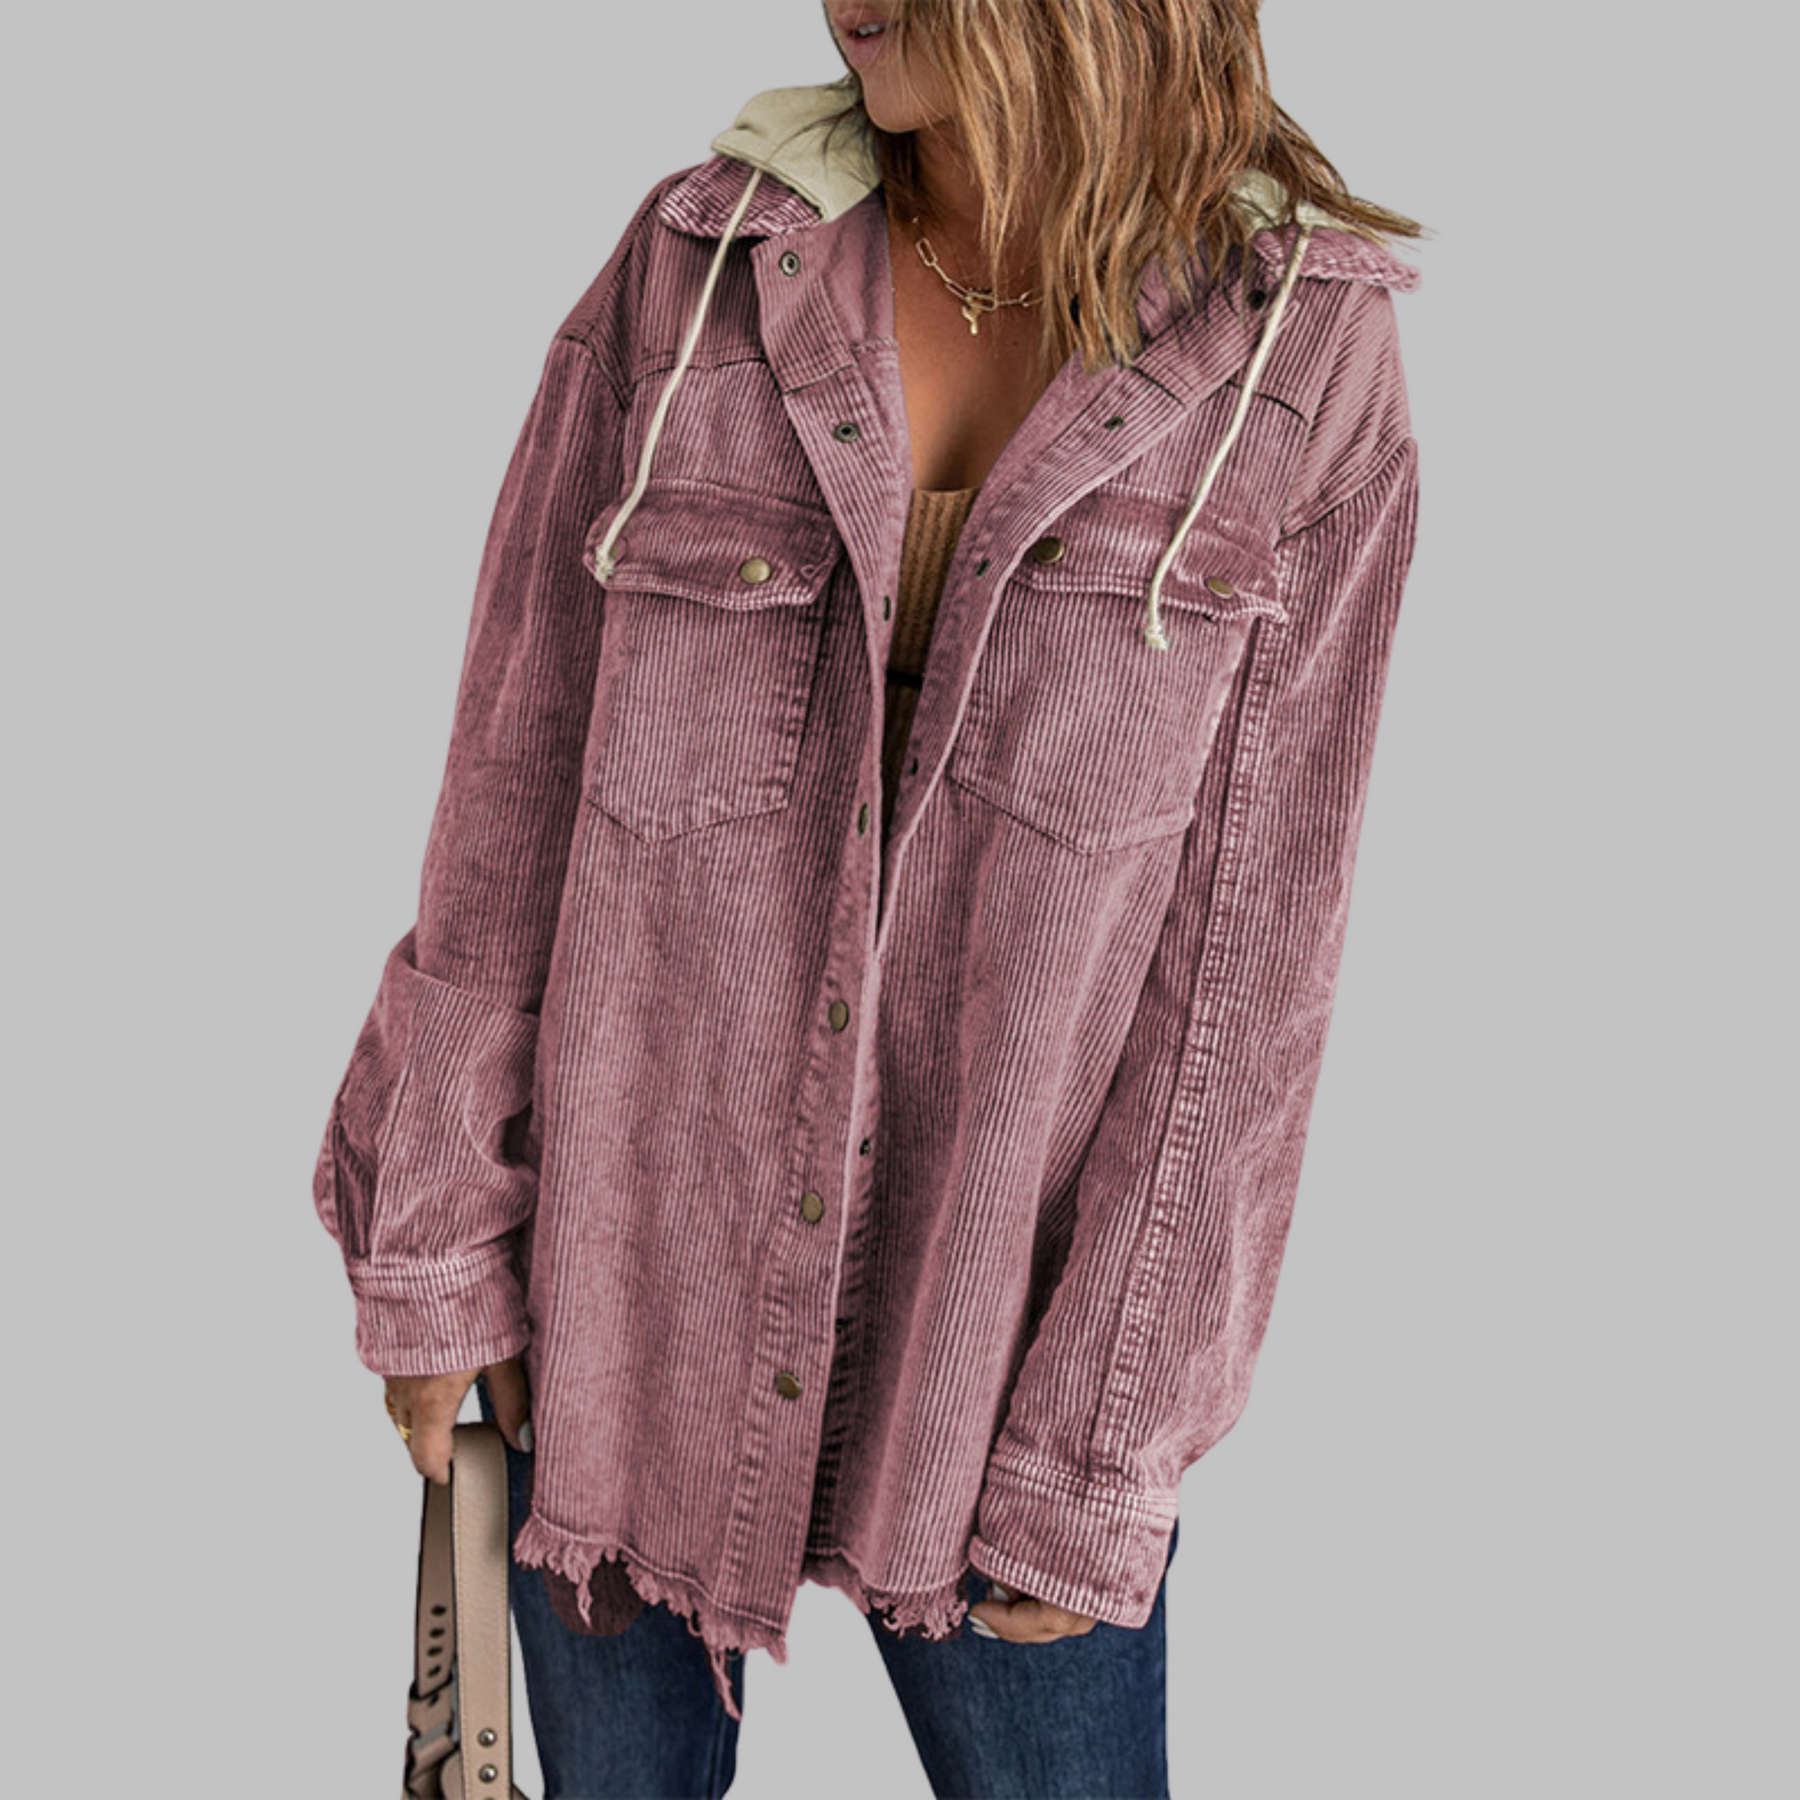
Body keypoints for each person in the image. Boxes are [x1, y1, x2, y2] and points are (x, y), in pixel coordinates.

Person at [313, 3, 1426, 1794]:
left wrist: (1106, 1438)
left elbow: (1248, 969)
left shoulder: (1299, 355)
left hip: (1005, 1350)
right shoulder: (697, 272)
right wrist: (441, 1236)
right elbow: (509, 788)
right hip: (626, 1298)